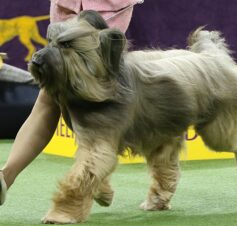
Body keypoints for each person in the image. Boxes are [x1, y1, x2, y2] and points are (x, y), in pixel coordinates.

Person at [0, 0, 141, 205]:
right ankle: (6, 175)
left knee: (93, 92)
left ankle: (94, 171)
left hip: (108, 7)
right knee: (50, 94)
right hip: (67, 5)